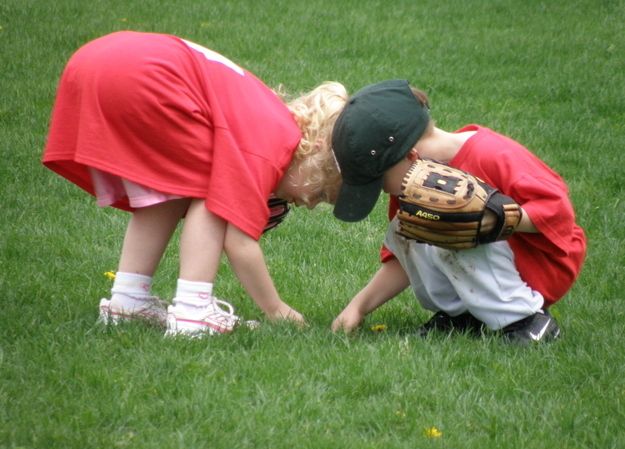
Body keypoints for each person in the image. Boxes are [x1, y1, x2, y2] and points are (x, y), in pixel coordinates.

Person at [42, 31, 348, 337]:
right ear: (316, 148)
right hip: (140, 75)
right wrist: (276, 309)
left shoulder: (268, 121)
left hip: (100, 61)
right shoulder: (270, 146)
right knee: (215, 185)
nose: (310, 204)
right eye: (320, 192)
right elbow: (239, 242)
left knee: (177, 184)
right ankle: (194, 310)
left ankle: (128, 299)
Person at [330, 79, 586, 344]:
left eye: (380, 181)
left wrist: (497, 217)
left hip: (543, 262)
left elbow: (560, 213)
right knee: (406, 225)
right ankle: (463, 316)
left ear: (411, 156)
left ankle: (528, 320)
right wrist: (358, 307)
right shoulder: (411, 188)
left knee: (451, 221)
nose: (383, 191)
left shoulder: (491, 154)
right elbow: (401, 259)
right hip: (501, 263)